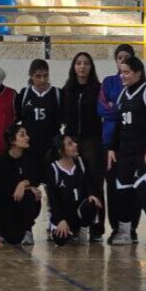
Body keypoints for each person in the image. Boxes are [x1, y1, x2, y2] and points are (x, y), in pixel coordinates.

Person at [106, 56, 146, 247]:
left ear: (138, 73)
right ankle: (125, 232)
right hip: (126, 151)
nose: (122, 76)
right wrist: (112, 147)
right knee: (123, 190)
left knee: (143, 187)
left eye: (126, 72)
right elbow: (119, 125)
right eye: (121, 72)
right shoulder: (122, 95)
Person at [60, 52, 105, 241]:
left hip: (93, 139)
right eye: (78, 63)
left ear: (91, 67)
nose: (82, 66)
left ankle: (97, 228)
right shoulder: (67, 90)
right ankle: (74, 225)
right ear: (74, 66)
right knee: (73, 181)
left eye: (86, 63)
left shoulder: (98, 89)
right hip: (72, 137)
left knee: (94, 180)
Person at [99, 43, 139, 242]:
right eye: (119, 57)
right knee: (113, 186)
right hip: (110, 142)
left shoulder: (140, 87)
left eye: (126, 57)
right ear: (115, 60)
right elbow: (102, 109)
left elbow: (138, 112)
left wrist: (118, 107)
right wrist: (123, 110)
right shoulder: (108, 82)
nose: (122, 60)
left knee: (133, 185)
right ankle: (116, 227)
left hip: (132, 142)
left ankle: (132, 228)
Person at [0, 123, 42, 246]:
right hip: (5, 207)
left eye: (26, 134)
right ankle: (3, 230)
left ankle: (28, 229)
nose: (27, 137)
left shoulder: (30, 158)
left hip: (22, 204)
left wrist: (24, 184)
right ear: (12, 141)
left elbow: (36, 178)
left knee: (32, 195)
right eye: (22, 135)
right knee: (13, 239)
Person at [45, 134, 103, 246]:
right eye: (70, 144)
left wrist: (91, 194)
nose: (75, 145)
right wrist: (60, 220)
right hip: (63, 214)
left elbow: (89, 183)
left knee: (91, 203)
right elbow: (53, 200)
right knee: (60, 239)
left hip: (78, 212)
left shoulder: (82, 163)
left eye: (74, 142)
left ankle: (82, 229)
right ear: (61, 151)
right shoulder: (53, 169)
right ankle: (65, 230)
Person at [15, 59, 62, 165]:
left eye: (45, 76)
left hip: (51, 147)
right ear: (31, 76)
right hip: (30, 147)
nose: (42, 80)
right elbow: (17, 118)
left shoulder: (58, 93)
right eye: (38, 76)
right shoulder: (24, 93)